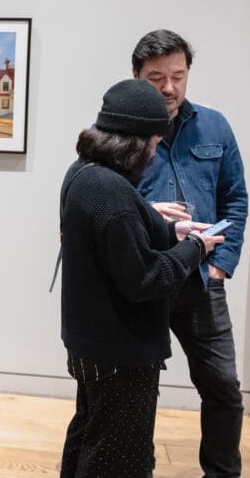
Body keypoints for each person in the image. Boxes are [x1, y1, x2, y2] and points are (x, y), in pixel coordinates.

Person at [59, 78, 222, 478]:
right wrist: (195, 248)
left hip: (90, 343)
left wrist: (167, 230)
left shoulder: (82, 174)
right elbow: (146, 279)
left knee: (89, 435)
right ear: (135, 142)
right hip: (120, 351)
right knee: (119, 460)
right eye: (153, 142)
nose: (154, 151)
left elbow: (117, 239)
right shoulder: (111, 192)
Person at [132, 29, 248, 477]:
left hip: (201, 281)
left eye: (178, 76)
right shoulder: (121, 131)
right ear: (137, 77)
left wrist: (221, 266)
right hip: (144, 281)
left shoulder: (214, 126)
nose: (169, 87)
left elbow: (234, 199)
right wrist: (150, 215)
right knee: (138, 389)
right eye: (156, 77)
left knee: (224, 388)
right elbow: (104, 201)